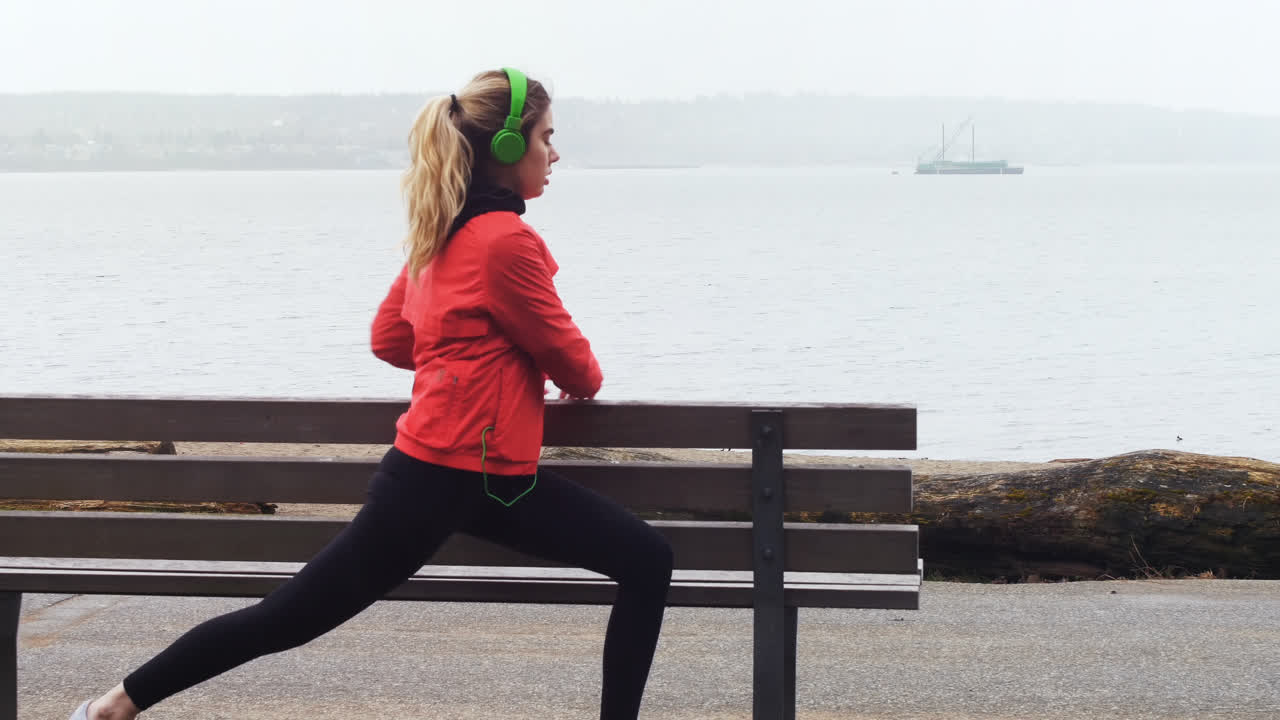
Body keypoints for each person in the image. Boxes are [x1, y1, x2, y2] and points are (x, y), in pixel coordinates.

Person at [71, 67, 674, 720]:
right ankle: (116, 705)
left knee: (646, 557)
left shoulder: (442, 233)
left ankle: (117, 705)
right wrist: (491, 355)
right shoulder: (506, 243)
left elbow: (391, 337)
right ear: (506, 149)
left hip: (487, 482)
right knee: (292, 616)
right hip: (444, 481)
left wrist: (459, 350)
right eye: (546, 138)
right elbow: (578, 369)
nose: (554, 153)